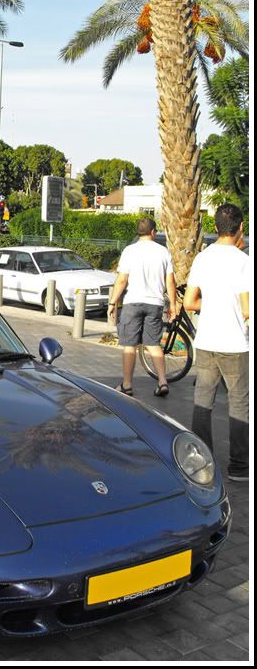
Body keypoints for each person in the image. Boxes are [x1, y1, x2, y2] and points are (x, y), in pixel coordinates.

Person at [183, 204, 249, 483]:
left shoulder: (203, 258)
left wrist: (211, 305)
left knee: (203, 402)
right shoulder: (244, 261)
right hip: (235, 344)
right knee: (239, 403)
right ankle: (239, 467)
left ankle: (201, 461)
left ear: (216, 226)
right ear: (240, 228)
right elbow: (247, 309)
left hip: (206, 341)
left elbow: (189, 302)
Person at [108, 217, 176, 397]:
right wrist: (173, 305)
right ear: (153, 232)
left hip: (133, 302)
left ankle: (127, 384)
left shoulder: (129, 251)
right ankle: (162, 381)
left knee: (129, 345)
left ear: (138, 233)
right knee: (153, 344)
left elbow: (122, 280)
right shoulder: (163, 252)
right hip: (155, 304)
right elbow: (170, 281)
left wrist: (112, 302)